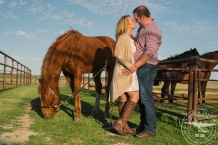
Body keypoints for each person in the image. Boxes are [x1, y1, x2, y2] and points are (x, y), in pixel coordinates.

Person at [122, 6, 162, 138]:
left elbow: (150, 52)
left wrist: (135, 65)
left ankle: (150, 129)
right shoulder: (141, 28)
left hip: (147, 67)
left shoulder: (153, 30)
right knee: (141, 99)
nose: (136, 21)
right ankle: (143, 125)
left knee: (146, 98)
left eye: (137, 18)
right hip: (140, 67)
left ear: (143, 17)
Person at [109, 15, 139, 136]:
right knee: (135, 96)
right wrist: (130, 66)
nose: (134, 21)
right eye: (132, 20)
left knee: (124, 98)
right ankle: (121, 123)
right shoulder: (124, 37)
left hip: (125, 70)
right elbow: (118, 54)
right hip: (126, 71)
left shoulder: (129, 38)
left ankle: (124, 127)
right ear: (126, 24)